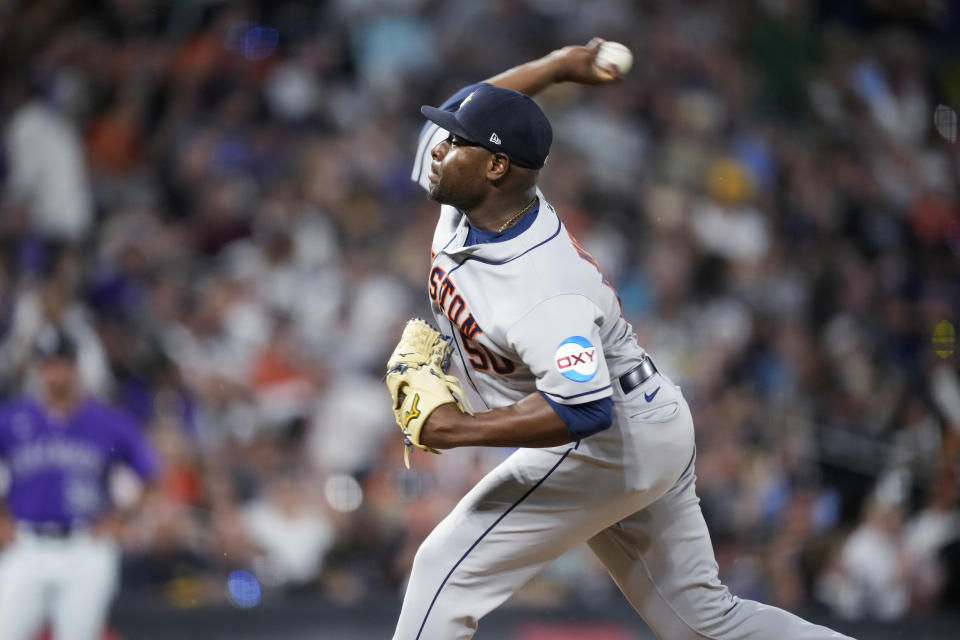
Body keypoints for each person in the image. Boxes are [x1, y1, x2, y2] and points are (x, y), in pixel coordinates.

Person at [393, 40, 855, 639]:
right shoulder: (468, 192)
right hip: (648, 421)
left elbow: (584, 408)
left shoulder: (543, 288)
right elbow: (476, 104)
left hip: (610, 439)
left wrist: (455, 431)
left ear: (496, 167)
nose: (438, 149)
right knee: (703, 623)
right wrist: (558, 67)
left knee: (442, 571)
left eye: (455, 142)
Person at [0, 326, 159, 640]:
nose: (52, 372)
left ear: (75, 366)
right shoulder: (13, 418)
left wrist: (121, 518)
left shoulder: (107, 421)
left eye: (59, 362)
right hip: (27, 544)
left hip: (85, 545)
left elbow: (151, 474)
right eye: (46, 364)